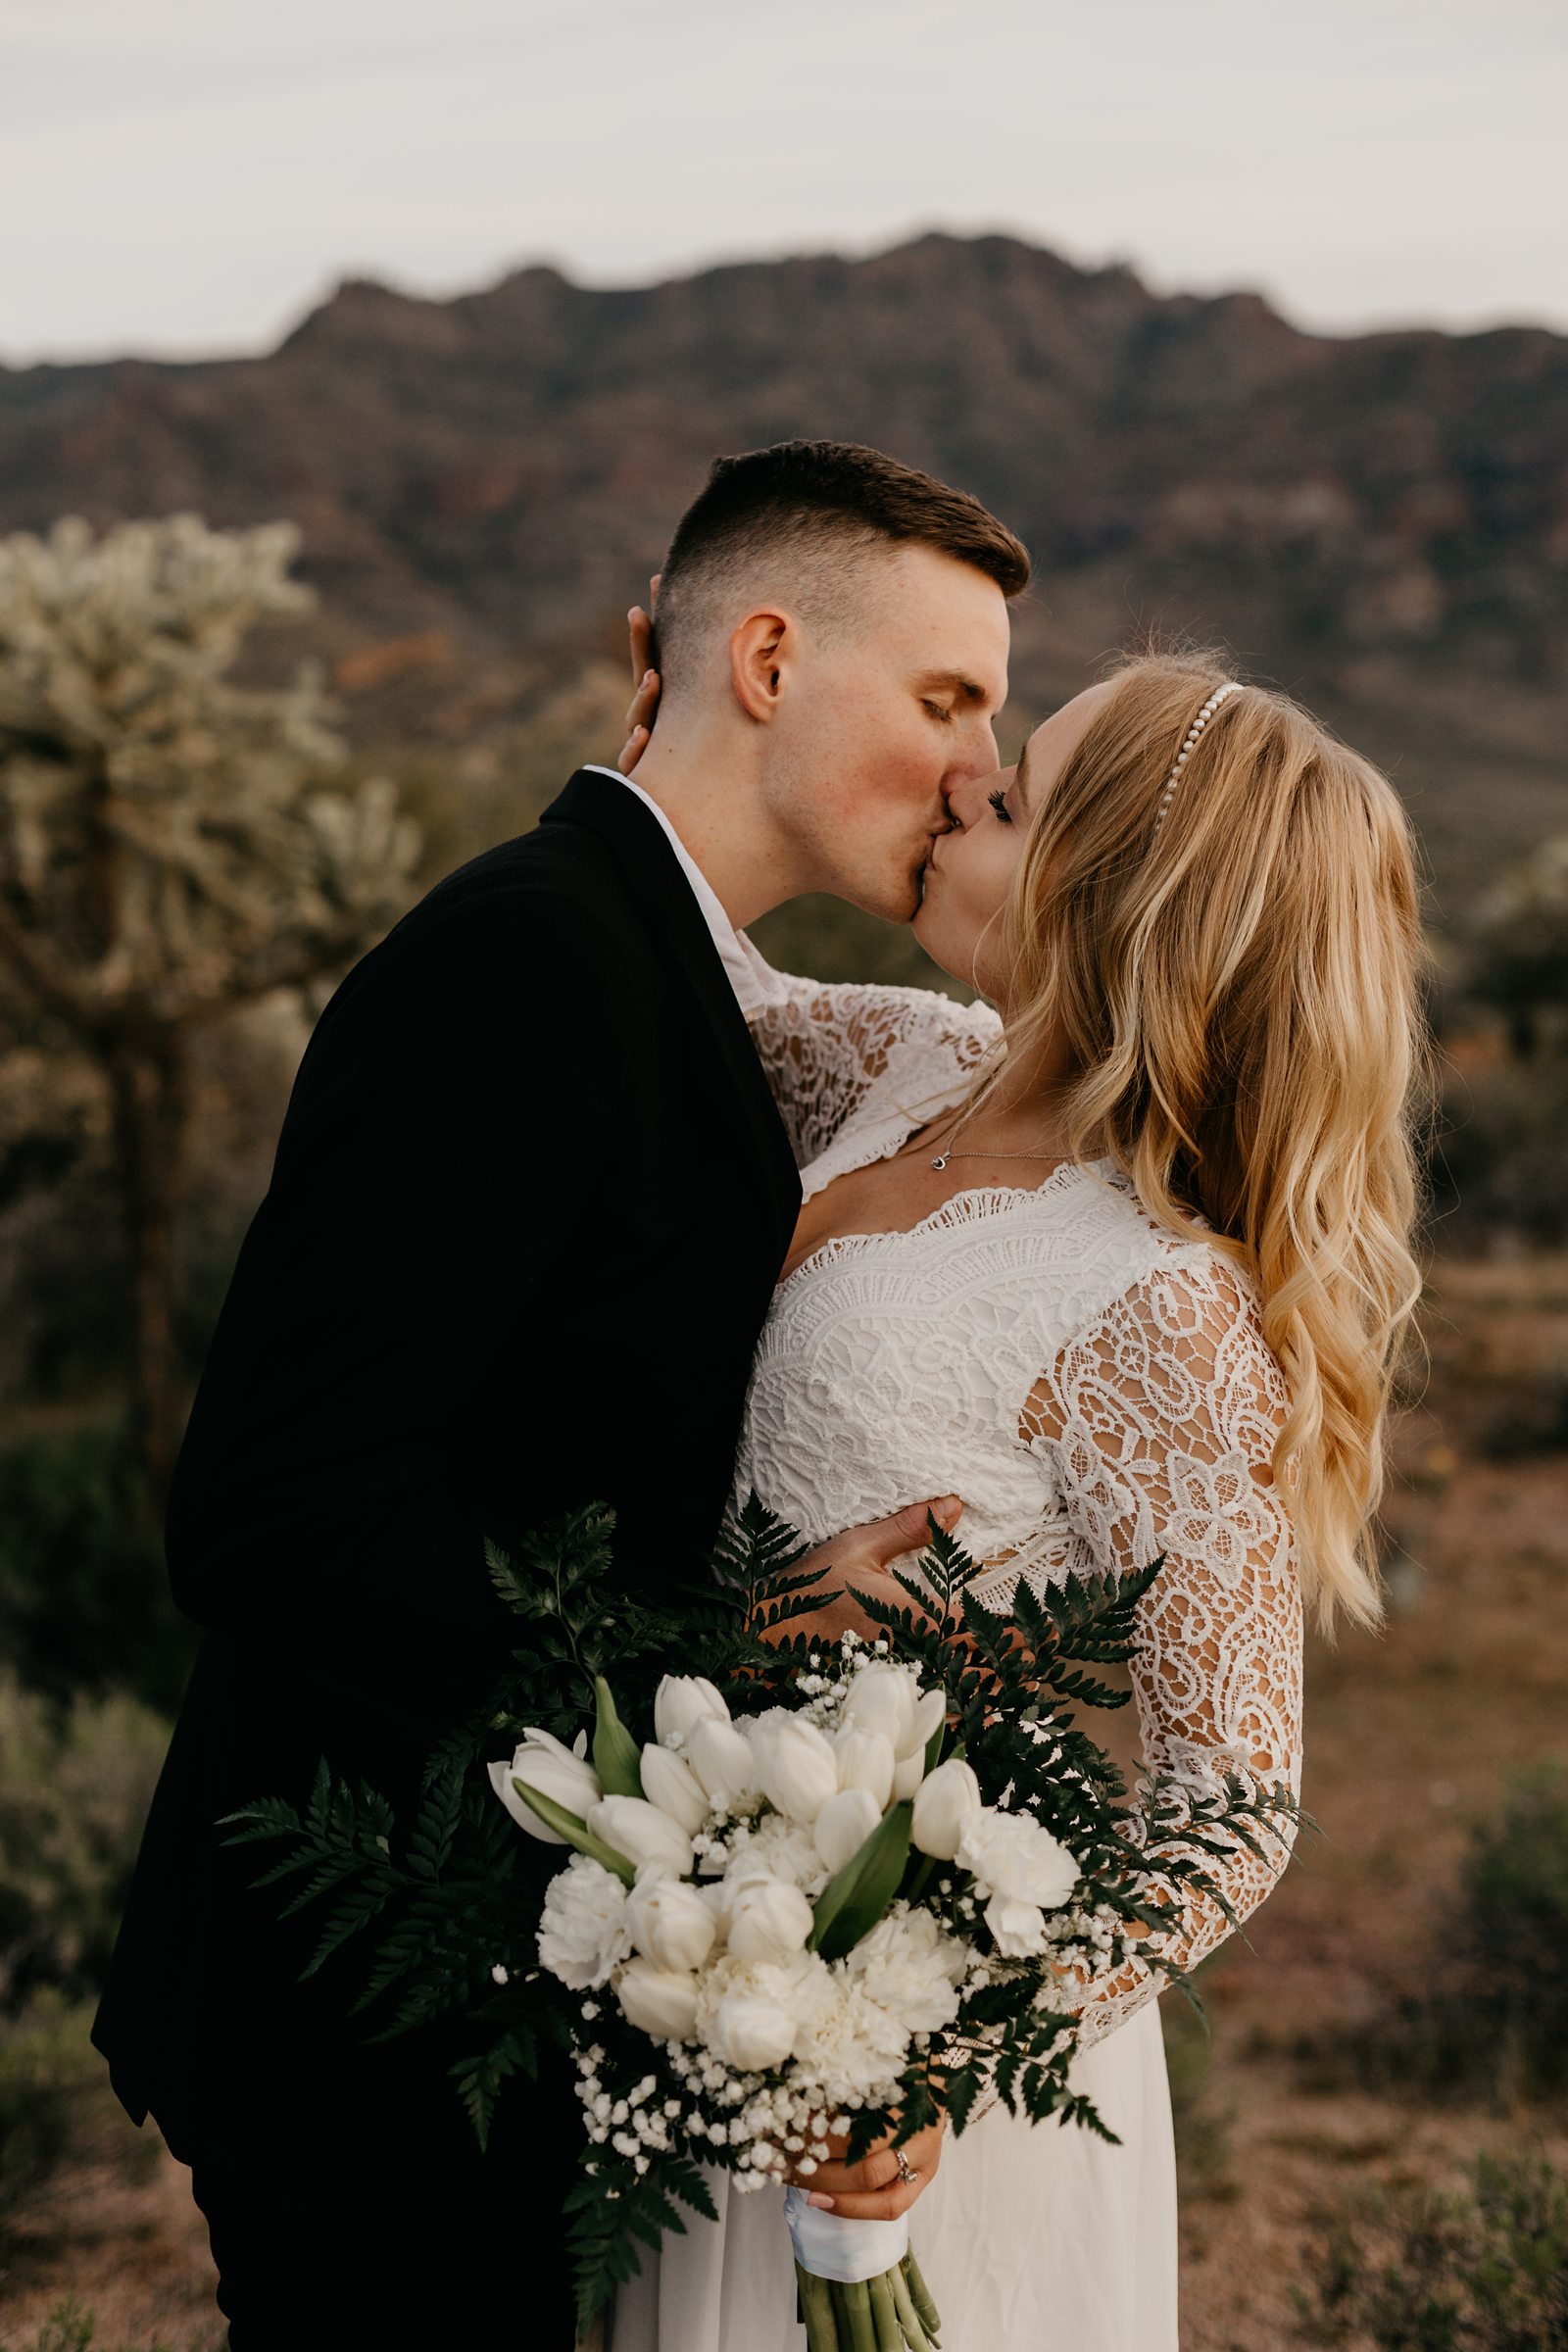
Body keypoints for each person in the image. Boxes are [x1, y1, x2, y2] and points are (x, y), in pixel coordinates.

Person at [91, 440, 1029, 2346]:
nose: (969, 773)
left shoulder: (663, 967)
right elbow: (273, 1511)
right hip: (362, 2007)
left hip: (499, 1996)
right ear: (765, 659)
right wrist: (734, 1634)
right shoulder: (529, 959)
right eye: (944, 699)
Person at [607, 641, 1428, 2350]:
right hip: (724, 1938)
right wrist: (686, 734)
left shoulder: (1157, 1304)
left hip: (918, 2039)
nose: (957, 787)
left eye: (1014, 786)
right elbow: (664, 964)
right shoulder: (898, 1064)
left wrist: (953, 2059)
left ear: (1107, 888)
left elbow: (1231, 1802)